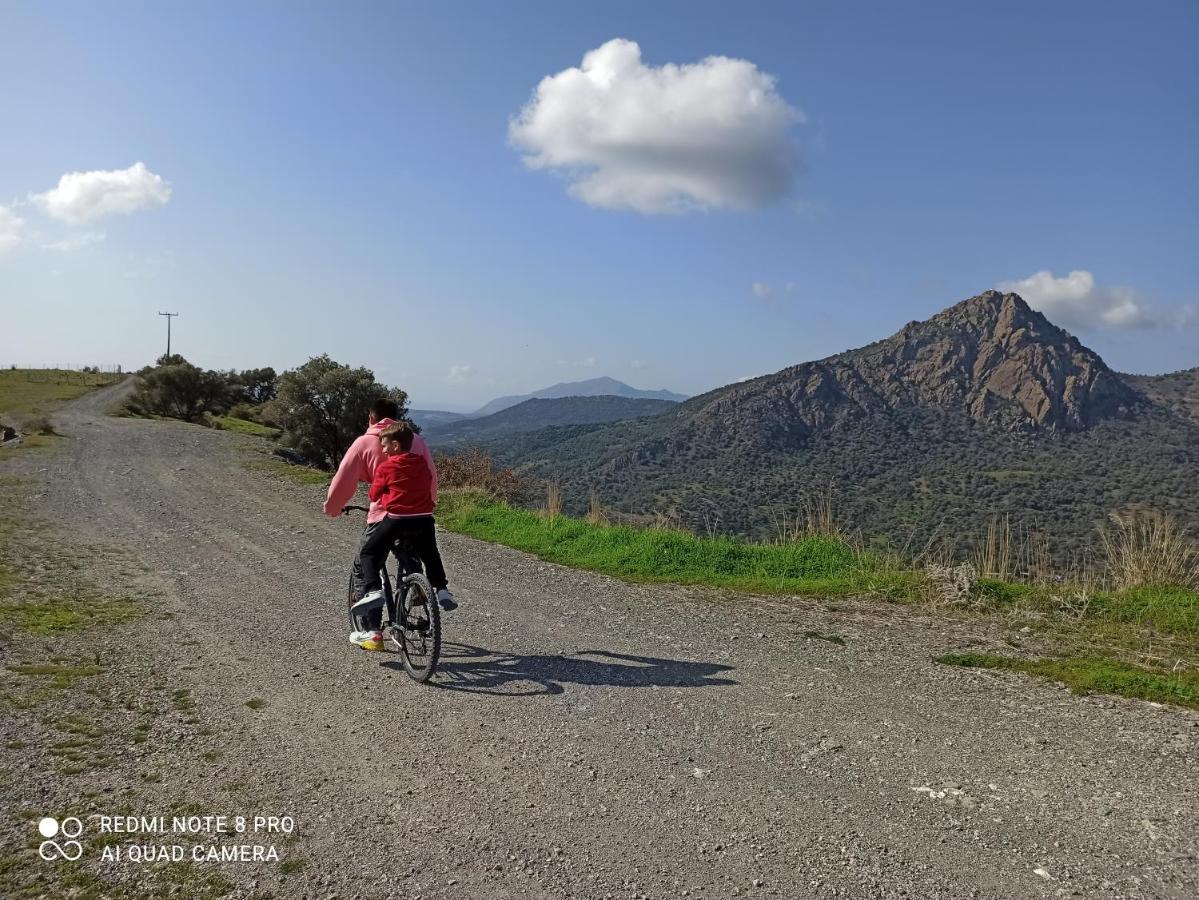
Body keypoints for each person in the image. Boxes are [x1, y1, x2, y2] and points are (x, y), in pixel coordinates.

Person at [324, 398, 455, 651]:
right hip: (421, 515)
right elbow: (431, 476)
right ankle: (418, 589)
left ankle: (372, 632)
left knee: (366, 559)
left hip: (385, 516)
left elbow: (344, 480)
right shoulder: (416, 440)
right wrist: (430, 502)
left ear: (372, 419)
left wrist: (333, 508)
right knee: (416, 552)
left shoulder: (363, 442)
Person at [349, 421, 451, 626]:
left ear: (396, 445)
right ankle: (441, 590)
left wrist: (385, 490)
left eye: (385, 445)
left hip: (397, 520)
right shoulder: (421, 462)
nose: (384, 450)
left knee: (368, 553)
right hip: (424, 519)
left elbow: (373, 494)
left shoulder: (386, 467)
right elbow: (427, 481)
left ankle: (373, 591)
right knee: (430, 554)